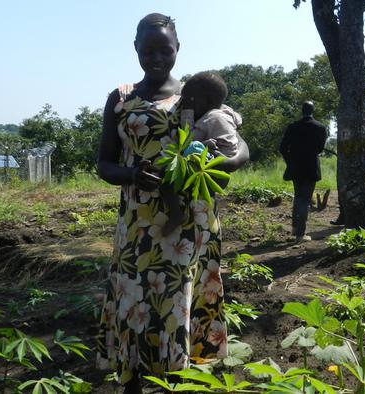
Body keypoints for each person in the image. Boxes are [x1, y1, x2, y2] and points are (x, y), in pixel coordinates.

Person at [95, 13, 249, 393]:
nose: (157, 57)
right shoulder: (121, 97)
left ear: (178, 48)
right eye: (148, 50)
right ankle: (132, 382)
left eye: (165, 49)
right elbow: (104, 163)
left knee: (181, 297)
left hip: (190, 220)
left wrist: (226, 161)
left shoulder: (197, 94)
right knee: (135, 296)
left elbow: (238, 145)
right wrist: (132, 175)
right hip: (139, 221)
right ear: (136, 49)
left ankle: (177, 382)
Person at [160, 71, 242, 235]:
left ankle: (176, 214)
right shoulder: (225, 113)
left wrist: (187, 114)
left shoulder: (211, 119)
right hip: (220, 167)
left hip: (214, 166)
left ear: (206, 102)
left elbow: (188, 139)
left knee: (166, 179)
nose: (187, 104)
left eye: (190, 100)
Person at [279, 101, 328, 243]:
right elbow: (320, 149)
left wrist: (290, 161)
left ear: (302, 110)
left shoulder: (292, 127)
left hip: (295, 168)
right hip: (311, 167)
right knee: (304, 199)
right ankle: (300, 235)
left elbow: (282, 148)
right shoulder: (320, 128)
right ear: (313, 110)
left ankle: (295, 228)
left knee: (298, 196)